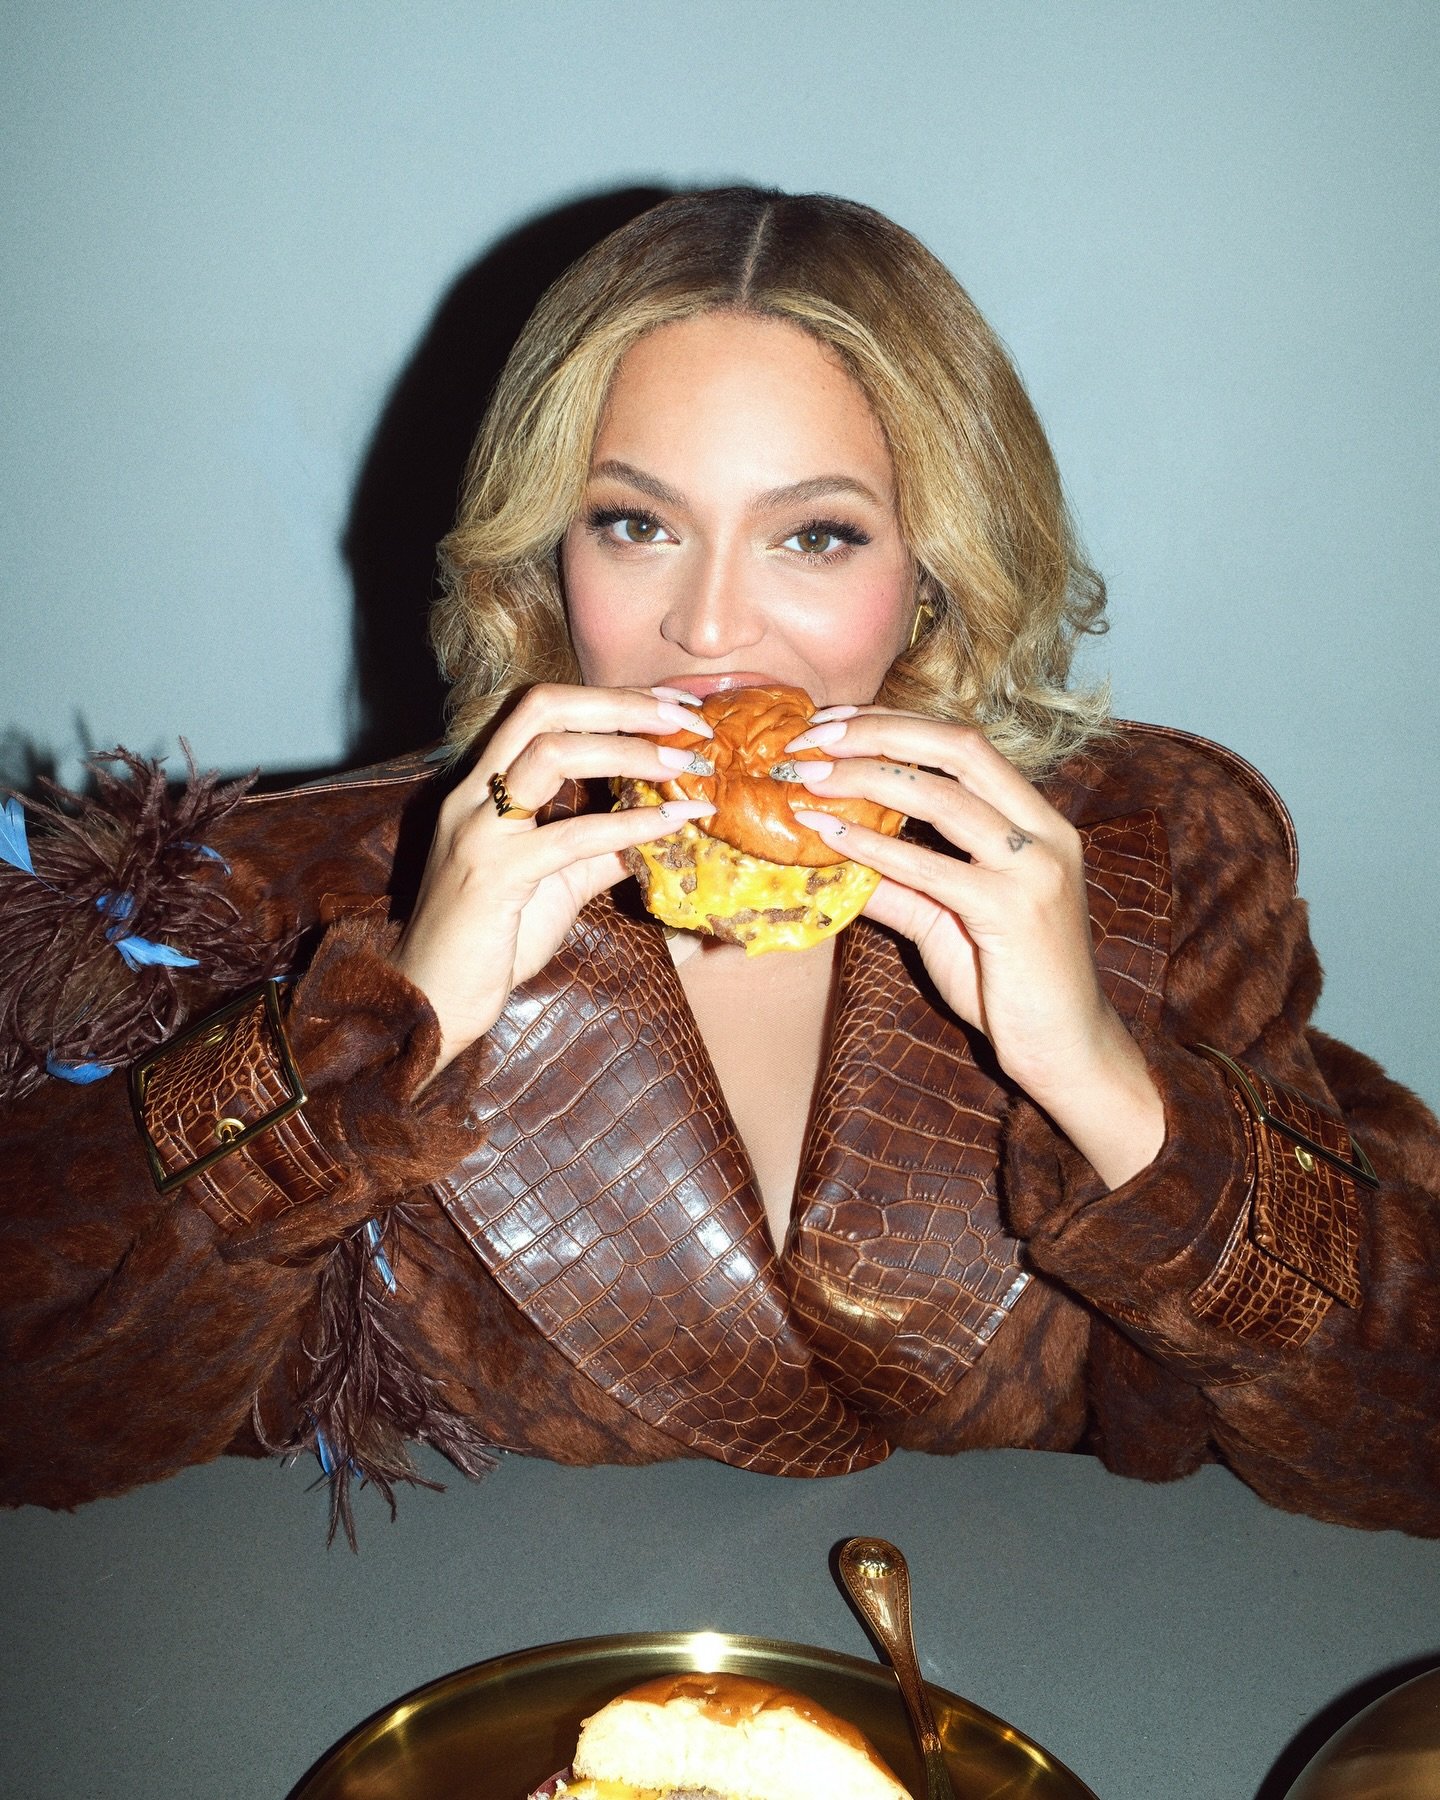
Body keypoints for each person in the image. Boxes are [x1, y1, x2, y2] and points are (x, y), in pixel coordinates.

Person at [2, 188, 1436, 1544]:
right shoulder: (303, 891)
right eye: (636, 524)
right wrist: (370, 1036)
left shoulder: (1150, 857)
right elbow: (38, 1417)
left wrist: (1112, 1089)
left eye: (815, 535)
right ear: (544, 552)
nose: (708, 627)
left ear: (934, 571)